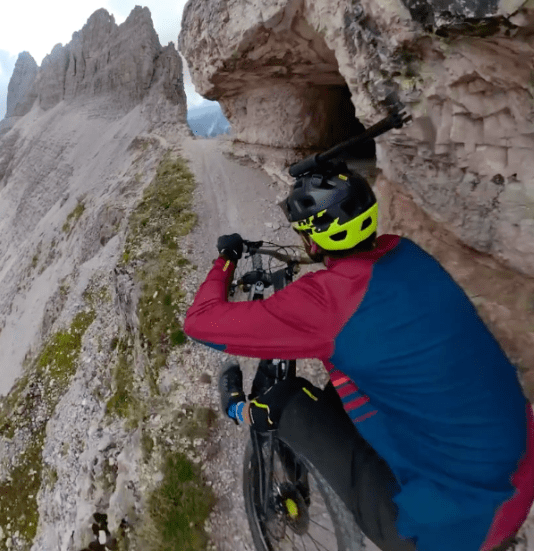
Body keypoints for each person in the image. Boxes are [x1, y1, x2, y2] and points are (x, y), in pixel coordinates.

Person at [183, 164, 534, 551]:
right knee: (349, 386)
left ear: (313, 239)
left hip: (458, 527)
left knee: (287, 398)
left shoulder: (326, 303)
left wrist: (226, 259)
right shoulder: (404, 252)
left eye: (303, 231)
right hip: (519, 470)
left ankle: (238, 411)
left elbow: (200, 324)